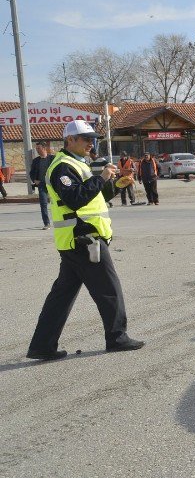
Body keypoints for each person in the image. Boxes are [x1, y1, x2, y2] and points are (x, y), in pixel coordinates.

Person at [27, 120, 145, 361]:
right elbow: (75, 199)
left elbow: (93, 199)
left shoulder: (78, 163)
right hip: (83, 238)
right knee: (109, 289)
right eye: (85, 139)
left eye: (92, 139)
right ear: (69, 140)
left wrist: (116, 186)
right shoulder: (62, 166)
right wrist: (101, 177)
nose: (90, 143)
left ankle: (42, 345)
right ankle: (117, 337)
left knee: (62, 295)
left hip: (77, 239)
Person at [29, 142, 55, 228]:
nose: (37, 150)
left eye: (38, 148)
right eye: (36, 149)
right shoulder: (36, 161)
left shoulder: (52, 158)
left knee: (57, 204)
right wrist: (34, 180)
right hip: (42, 185)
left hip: (52, 185)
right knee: (43, 204)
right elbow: (31, 173)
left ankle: (58, 220)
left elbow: (58, 170)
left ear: (44, 148)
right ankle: (46, 223)